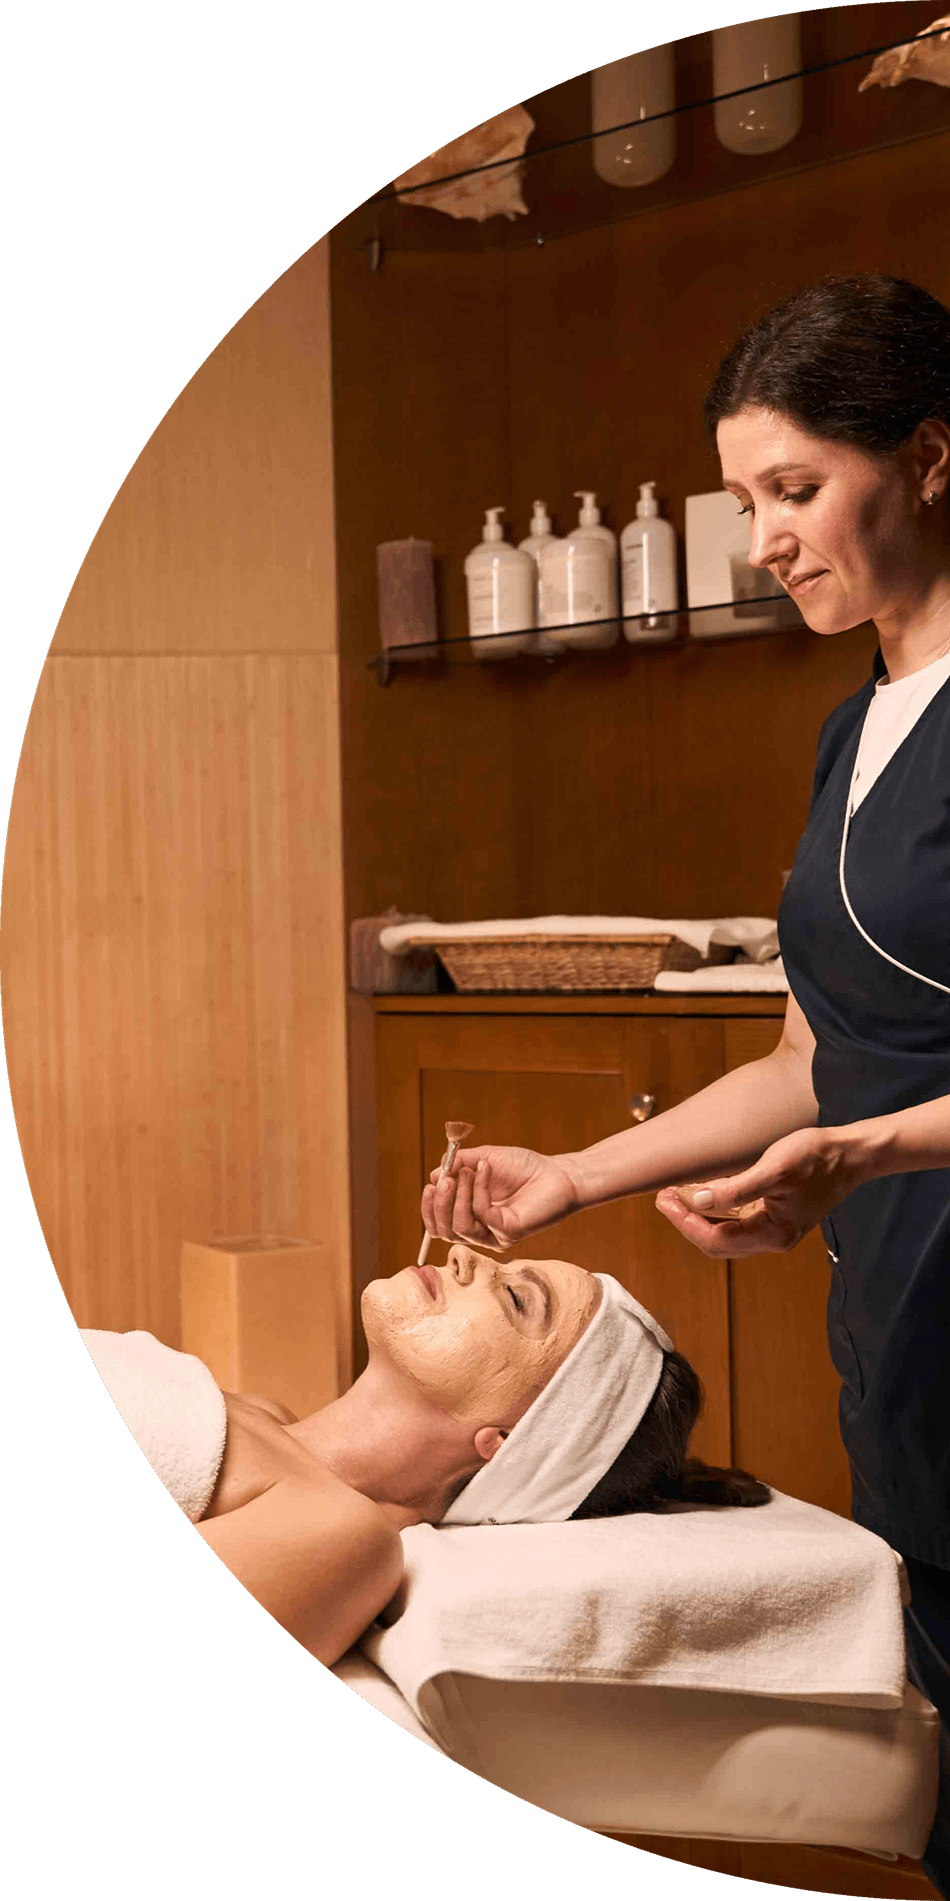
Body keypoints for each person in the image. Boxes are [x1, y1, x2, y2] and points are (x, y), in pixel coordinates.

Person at [420, 274, 950, 1895]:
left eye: (795, 490)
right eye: (744, 503)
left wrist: (866, 1153)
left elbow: (852, 1109)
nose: (764, 541)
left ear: (928, 458)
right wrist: (581, 1176)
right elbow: (808, 1055)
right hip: (904, 1323)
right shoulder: (849, 727)